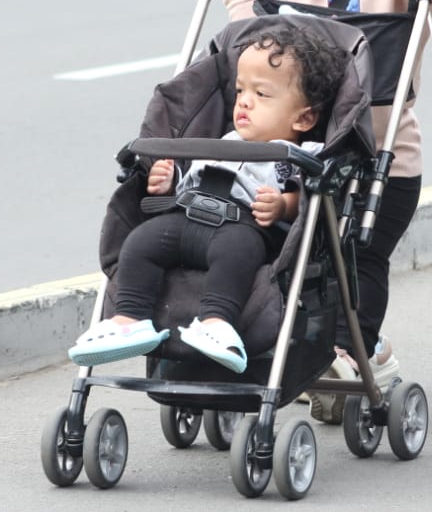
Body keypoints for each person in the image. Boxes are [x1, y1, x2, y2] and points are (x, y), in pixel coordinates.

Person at [225, 0, 432, 421]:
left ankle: (356, 352)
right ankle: (282, 350)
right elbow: (236, 49)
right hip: (283, 157)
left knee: (357, 255)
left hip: (377, 157)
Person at [67, 22, 346, 373]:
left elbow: (304, 197)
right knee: (139, 242)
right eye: (241, 89)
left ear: (303, 118)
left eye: (261, 95)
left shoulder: (295, 153)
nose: (244, 101)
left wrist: (282, 205)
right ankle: (129, 319)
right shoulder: (222, 140)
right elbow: (191, 181)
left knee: (236, 257)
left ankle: (215, 323)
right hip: (185, 215)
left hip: (241, 227)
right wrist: (167, 182)